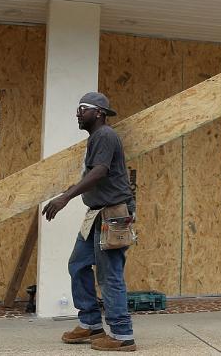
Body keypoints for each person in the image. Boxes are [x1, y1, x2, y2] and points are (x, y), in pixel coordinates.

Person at [43, 92, 137, 352]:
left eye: (82, 109)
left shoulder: (105, 135)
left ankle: (122, 334)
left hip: (114, 213)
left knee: (109, 275)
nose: (77, 113)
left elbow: (100, 171)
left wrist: (65, 198)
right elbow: (95, 173)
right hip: (97, 214)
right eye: (77, 109)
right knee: (78, 264)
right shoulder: (96, 138)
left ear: (99, 113)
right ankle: (92, 324)